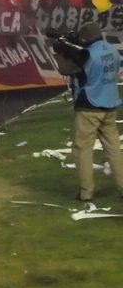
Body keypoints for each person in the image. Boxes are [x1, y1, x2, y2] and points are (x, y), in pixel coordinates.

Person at [51, 21, 123, 201]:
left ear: (84, 38)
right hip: (110, 104)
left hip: (89, 106)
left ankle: (86, 192)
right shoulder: (112, 50)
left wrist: (61, 50)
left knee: (83, 149)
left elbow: (65, 69)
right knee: (114, 150)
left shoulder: (86, 55)